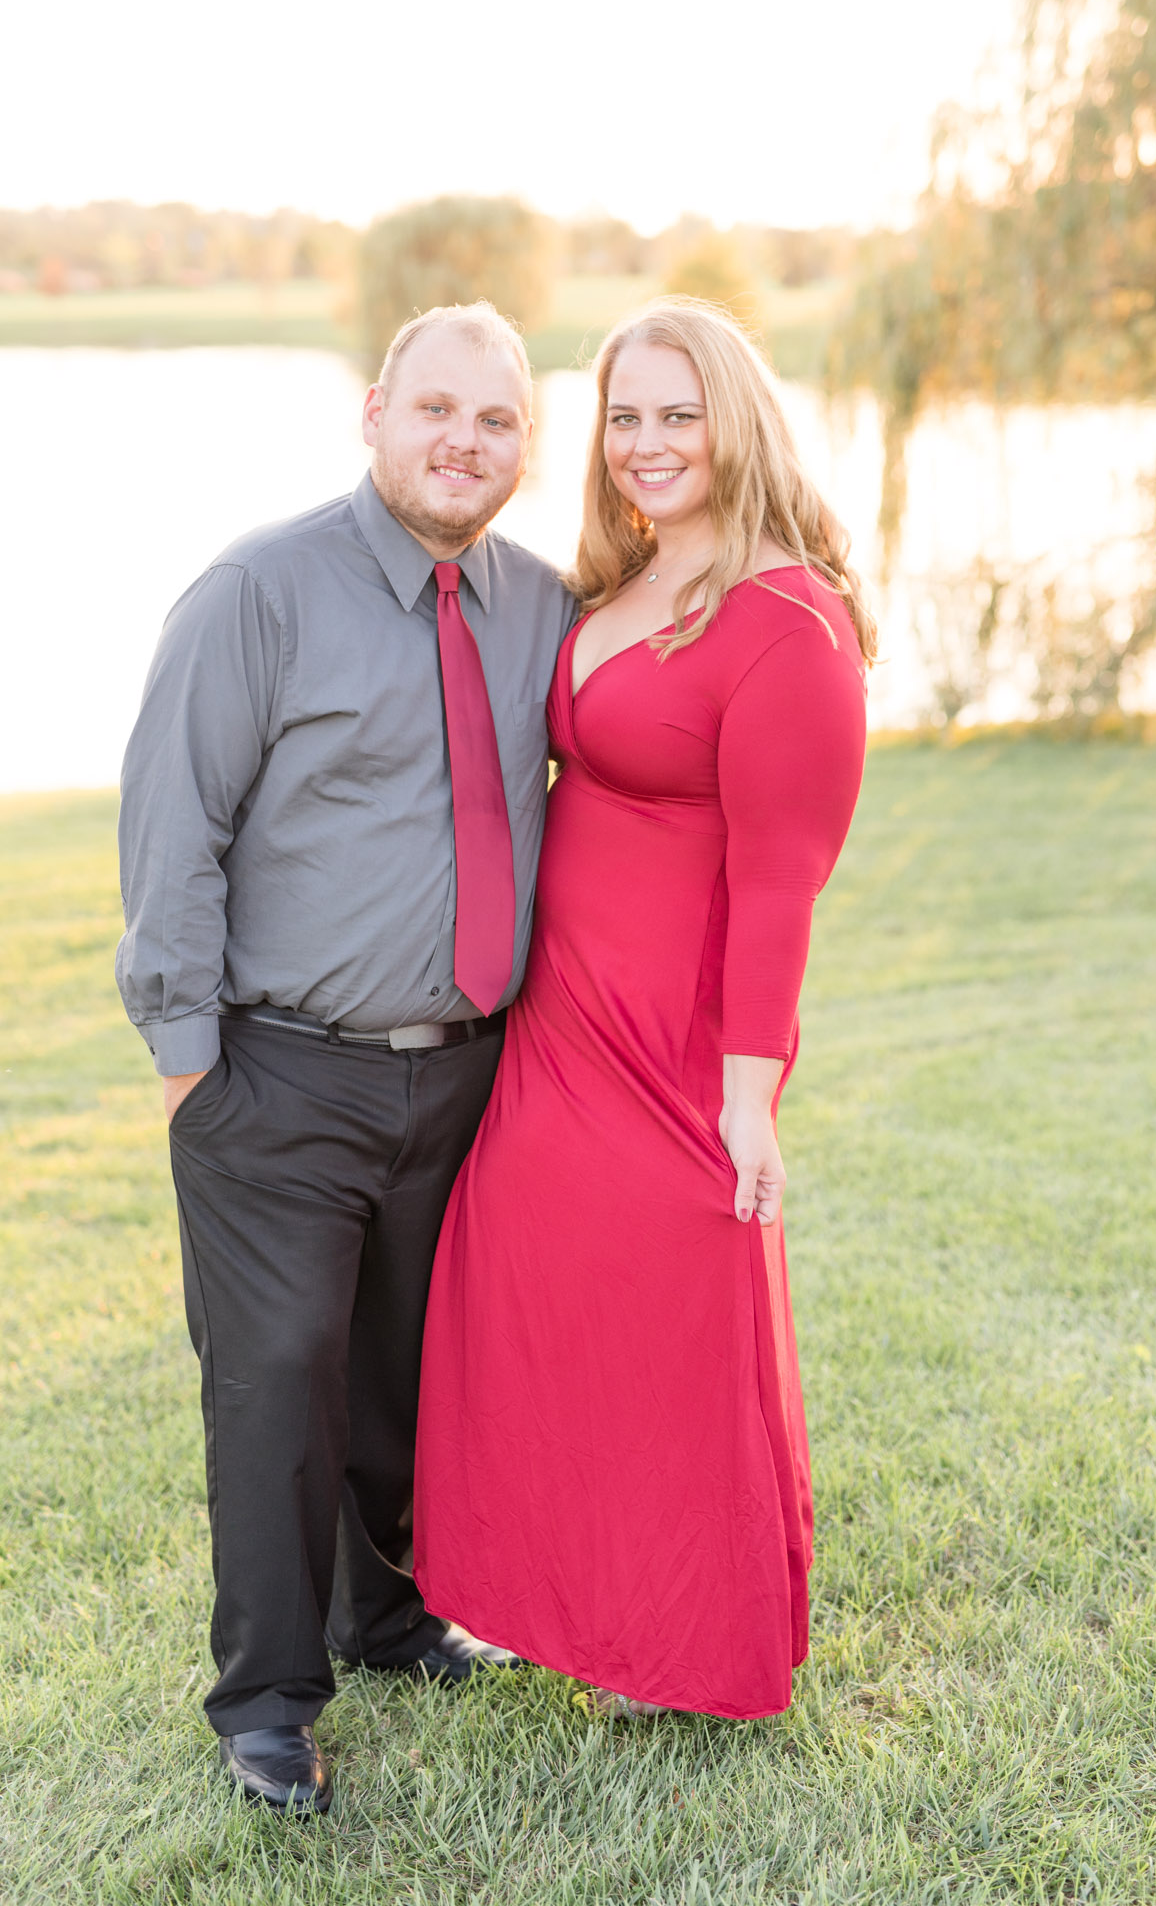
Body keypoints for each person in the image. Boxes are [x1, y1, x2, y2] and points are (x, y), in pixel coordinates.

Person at [116, 303, 577, 1812]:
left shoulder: (541, 609)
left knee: (399, 1372)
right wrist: (194, 1068)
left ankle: (384, 1617)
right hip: (278, 1073)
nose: (464, 439)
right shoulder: (259, 591)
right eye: (435, 407)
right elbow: (175, 828)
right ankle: (264, 1702)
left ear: (526, 442)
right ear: (375, 412)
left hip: (459, 1075)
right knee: (276, 1379)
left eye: (496, 419)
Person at [414, 298, 874, 1720]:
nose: (650, 442)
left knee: (676, 1335)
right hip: (560, 1024)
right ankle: (565, 1609)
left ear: (736, 419)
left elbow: (783, 883)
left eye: (680, 413)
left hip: (674, 1046)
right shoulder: (610, 587)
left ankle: (688, 1647)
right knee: (541, 1313)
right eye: (625, 416)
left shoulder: (788, 621)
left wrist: (751, 1097)